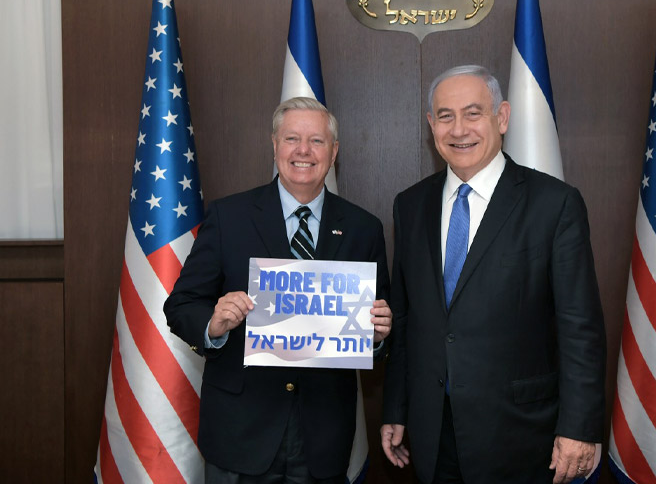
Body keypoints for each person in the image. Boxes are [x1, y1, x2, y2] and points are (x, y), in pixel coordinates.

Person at [381, 65, 605, 484]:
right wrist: (395, 409)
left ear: (501, 118)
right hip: (434, 436)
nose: (458, 129)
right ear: (431, 125)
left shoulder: (554, 204)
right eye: (445, 116)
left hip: (522, 437)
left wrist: (579, 427)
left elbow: (580, 328)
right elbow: (407, 320)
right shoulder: (410, 206)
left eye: (473, 113)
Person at [164, 96, 392, 484]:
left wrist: (376, 336)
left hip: (323, 439)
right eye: (292, 139)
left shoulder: (363, 229)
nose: (303, 150)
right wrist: (213, 325)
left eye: (316, 141)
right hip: (240, 434)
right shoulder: (229, 217)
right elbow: (181, 304)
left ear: (334, 151)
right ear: (274, 145)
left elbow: (380, 328)